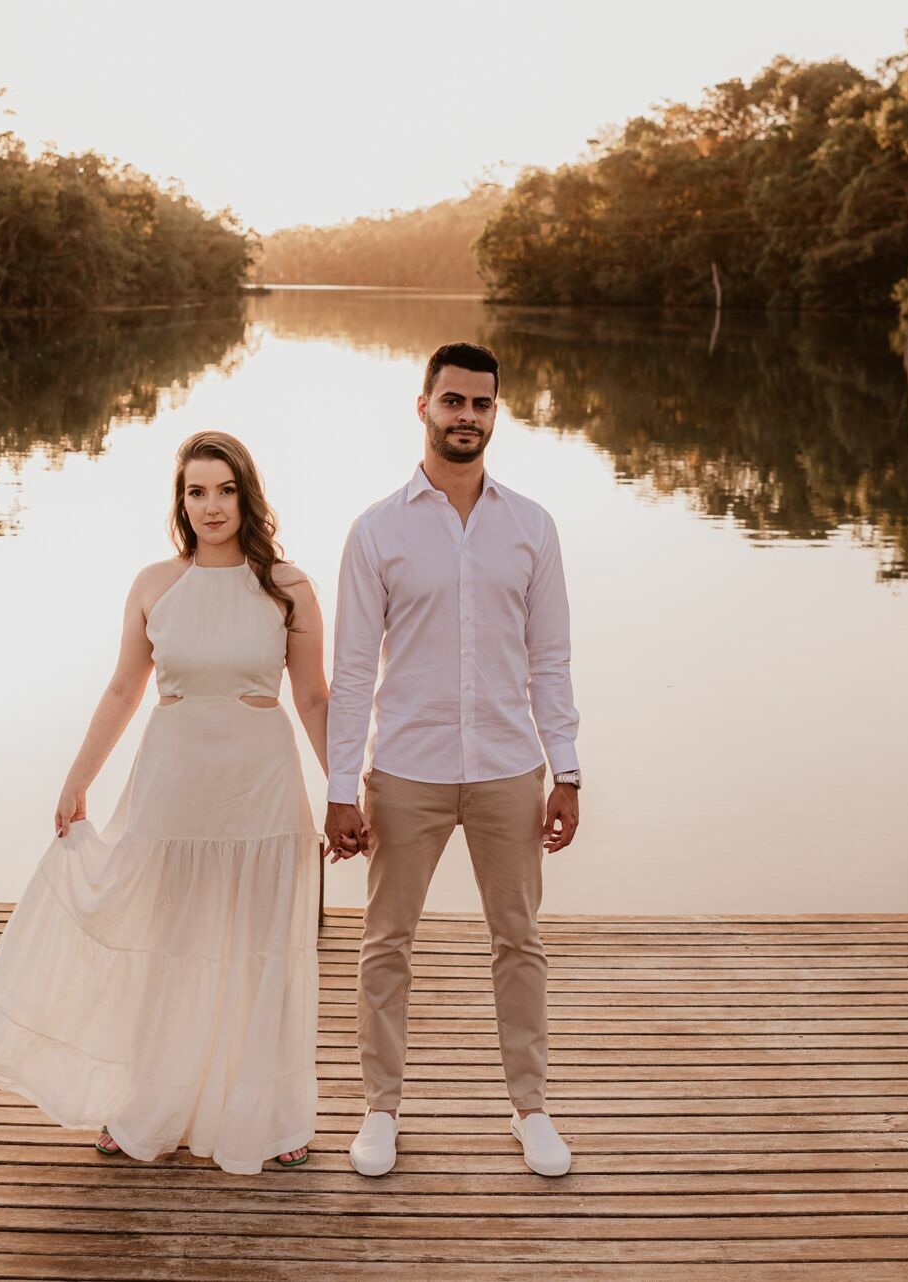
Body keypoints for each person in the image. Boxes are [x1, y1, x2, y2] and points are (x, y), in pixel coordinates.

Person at [0, 430, 328, 1174]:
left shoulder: (288, 585)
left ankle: (273, 1114)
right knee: (170, 947)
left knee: (262, 948)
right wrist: (77, 777)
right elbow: (125, 688)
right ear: (180, 501)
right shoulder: (155, 583)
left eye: (224, 489)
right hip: (173, 783)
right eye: (196, 491)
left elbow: (314, 696)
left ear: (246, 495)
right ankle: (150, 1106)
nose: (211, 505)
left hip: (261, 784)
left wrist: (348, 788)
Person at [326, 341, 582, 1179]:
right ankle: (380, 1111)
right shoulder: (376, 530)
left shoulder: (532, 527)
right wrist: (340, 788)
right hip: (406, 769)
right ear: (424, 406)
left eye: (481, 404)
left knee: (520, 939)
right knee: (385, 943)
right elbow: (354, 671)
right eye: (453, 401)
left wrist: (567, 769)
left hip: (511, 768)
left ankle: (531, 1108)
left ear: (495, 414)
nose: (466, 416)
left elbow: (551, 660)